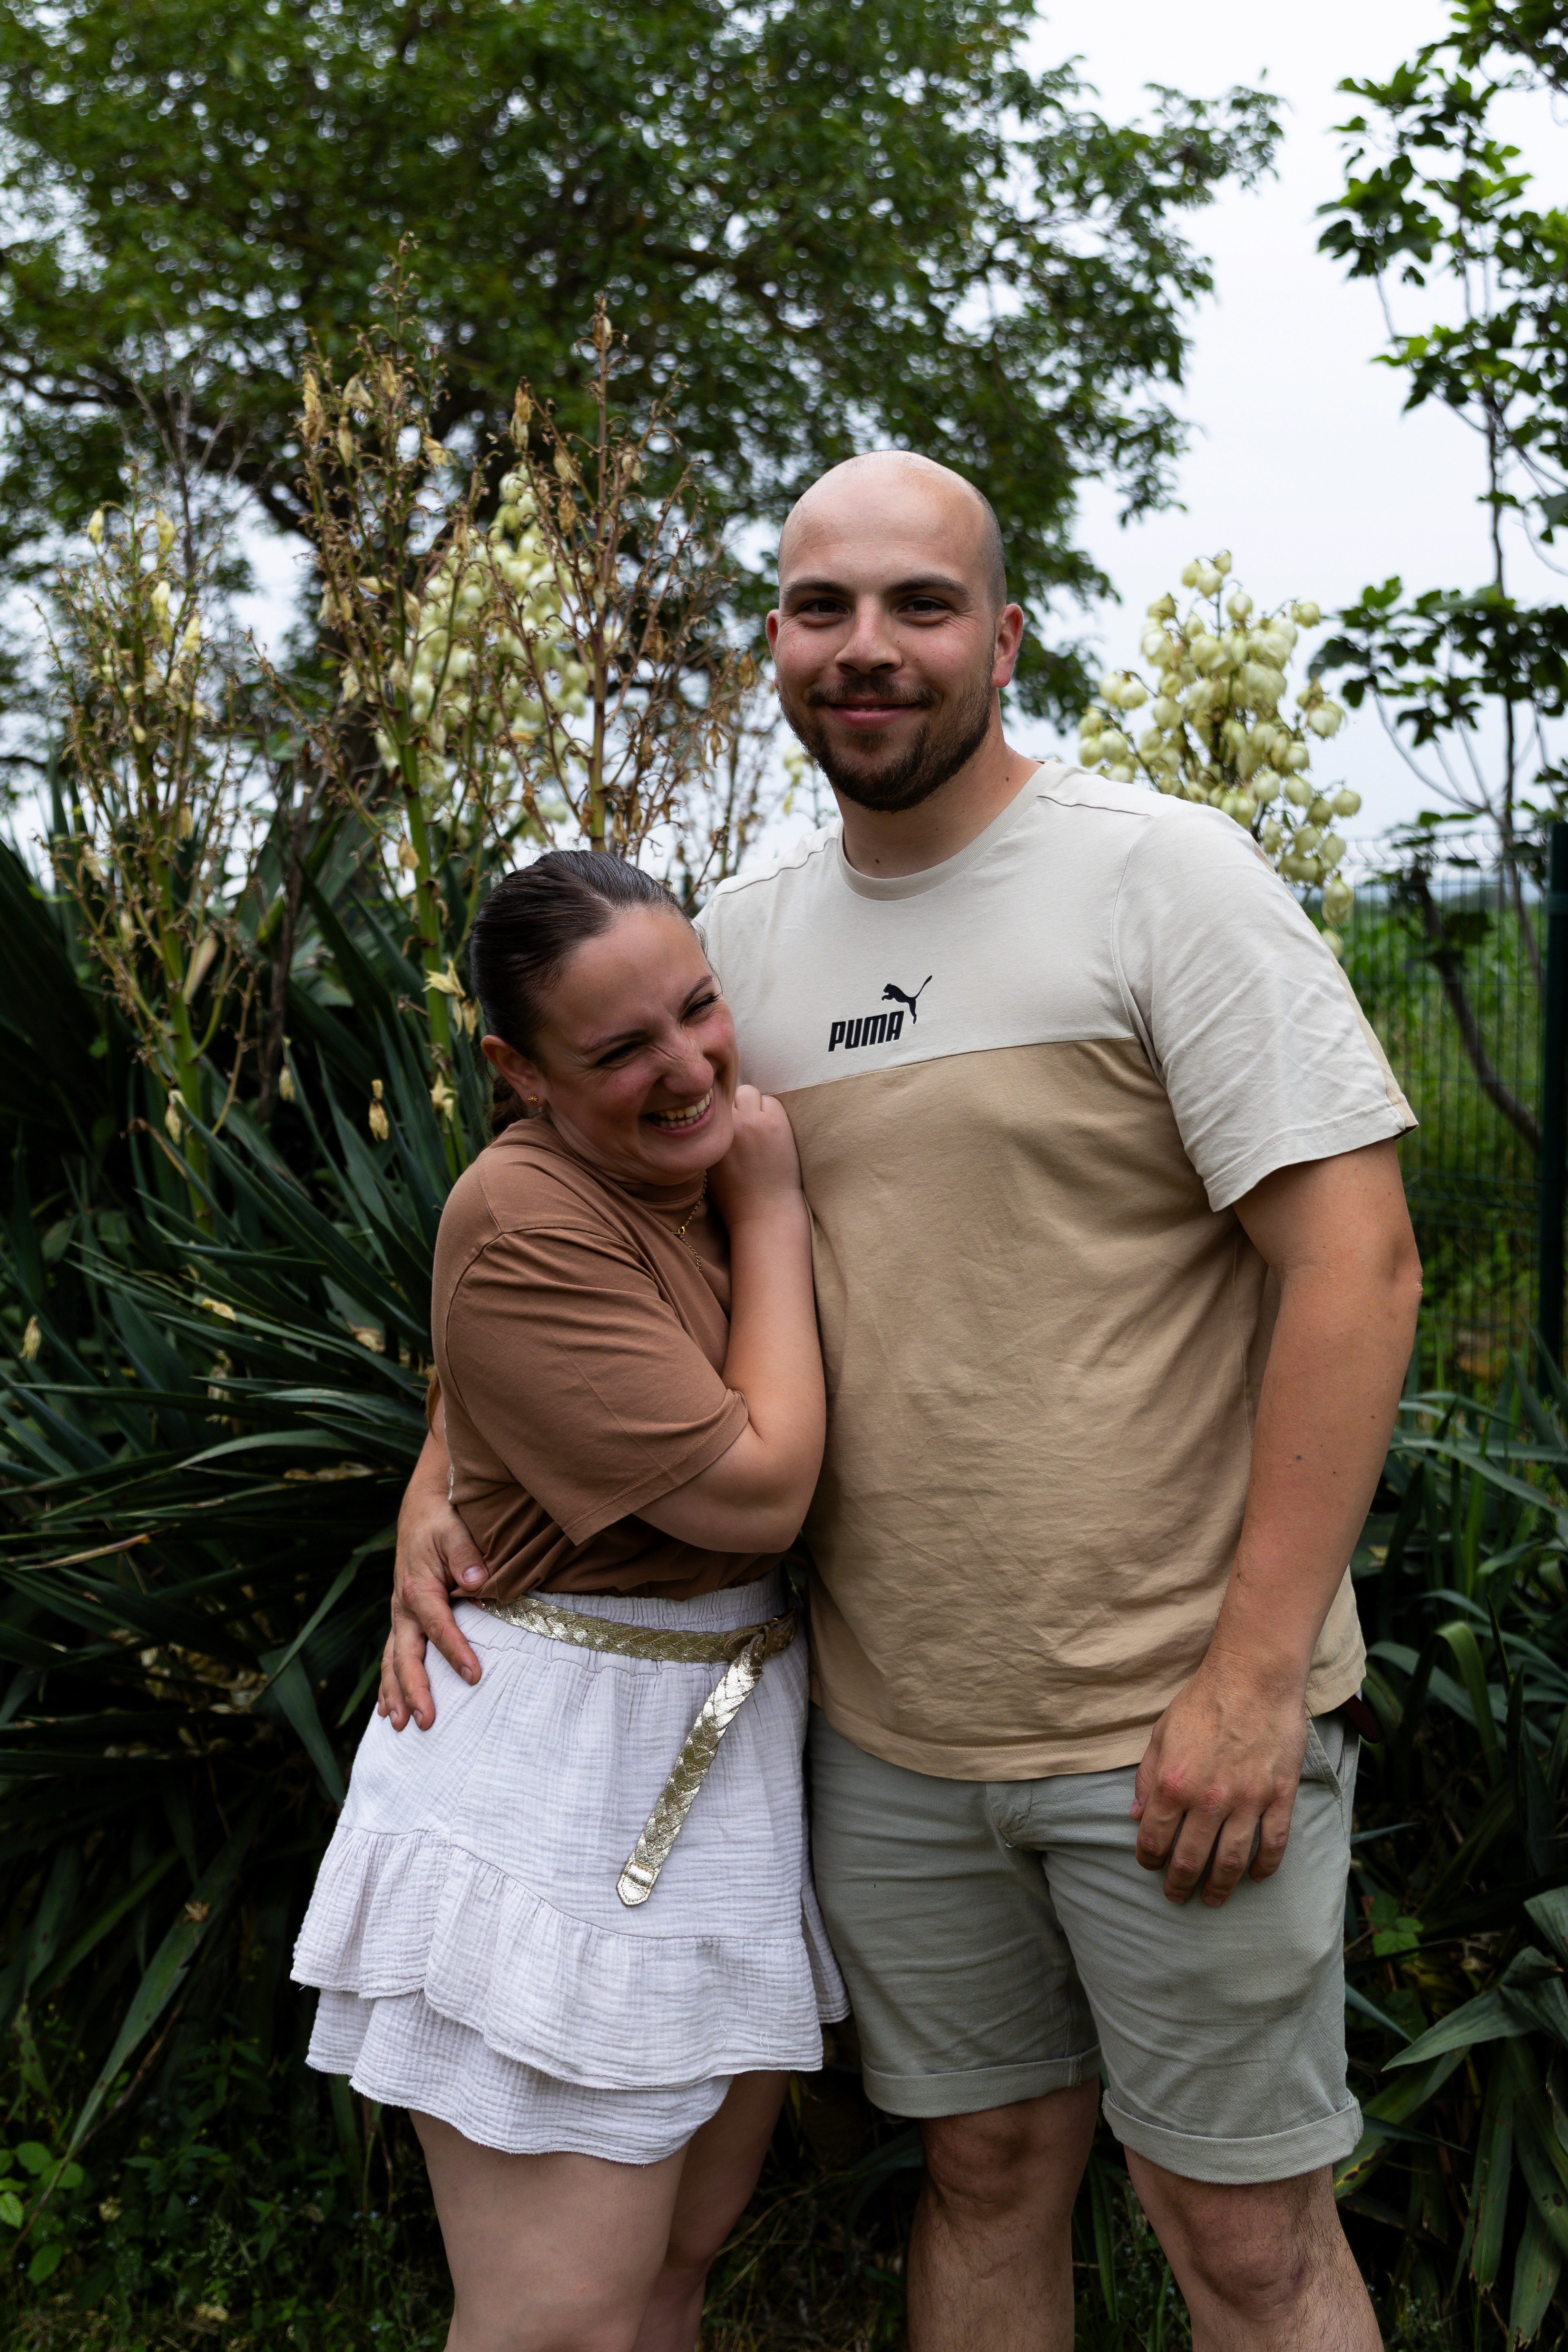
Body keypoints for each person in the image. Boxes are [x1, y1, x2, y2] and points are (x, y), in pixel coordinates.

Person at [386, 455, 1423, 2351]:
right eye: (822, 607)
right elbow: (585, 1237)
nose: (867, 647)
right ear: (777, 644)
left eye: (921, 605)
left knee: (1244, 2241)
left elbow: (1356, 1267)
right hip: (883, 1736)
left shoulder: (1166, 878)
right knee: (985, 2175)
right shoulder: (741, 950)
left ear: (1004, 638)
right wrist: (438, 1477)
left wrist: (1258, 1675)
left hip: (1170, 1716)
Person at [293, 851, 847, 2352]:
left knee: (672, 2275)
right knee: (560, 2318)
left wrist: (441, 1458)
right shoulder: (538, 1212)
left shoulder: (670, 1169)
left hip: (722, 1742)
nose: (689, 1068)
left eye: (700, 1010)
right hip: (558, 1775)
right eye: (620, 1051)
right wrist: (773, 1204)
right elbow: (759, 1496)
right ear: (516, 1073)